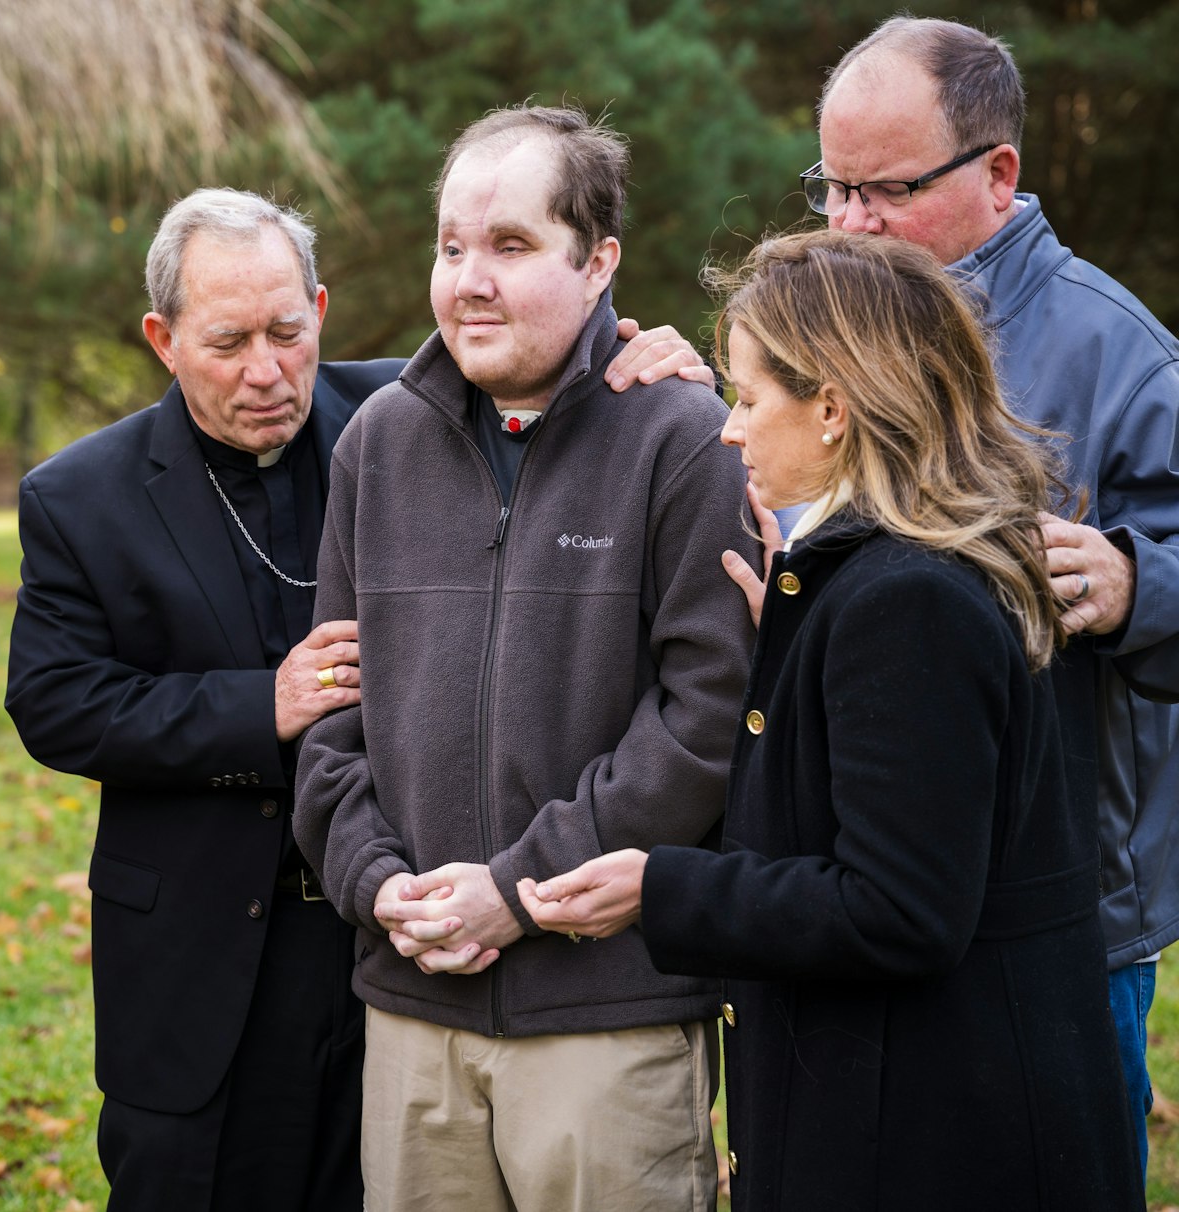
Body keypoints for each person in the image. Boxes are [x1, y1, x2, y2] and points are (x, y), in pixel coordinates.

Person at [3, 184, 709, 1212]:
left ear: (320, 310)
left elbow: (554, 369)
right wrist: (260, 707)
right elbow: (56, 703)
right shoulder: (79, 495)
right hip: (201, 948)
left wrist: (649, 357)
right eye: (227, 342)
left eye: (288, 333)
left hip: (395, 943)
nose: (265, 372)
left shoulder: (411, 421)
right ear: (162, 337)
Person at [525, 228, 1144, 1209]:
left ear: (832, 409)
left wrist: (662, 887)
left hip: (932, 1149)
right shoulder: (903, 576)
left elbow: (898, 911)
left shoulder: (909, 604)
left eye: (748, 397)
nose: (728, 429)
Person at [715, 17, 1179, 1175]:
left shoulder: (1122, 357)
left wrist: (1137, 583)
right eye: (833, 188)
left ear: (998, 173)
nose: (853, 221)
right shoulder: (823, 310)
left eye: (887, 191)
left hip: (1063, 920)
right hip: (847, 890)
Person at [293, 106, 755, 1212]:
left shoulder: (684, 438)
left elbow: (705, 717)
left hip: (607, 1016)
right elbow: (328, 706)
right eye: (451, 246)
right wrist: (377, 885)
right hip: (411, 1002)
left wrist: (517, 893)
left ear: (598, 263)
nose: (468, 280)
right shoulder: (377, 447)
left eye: (509, 245)